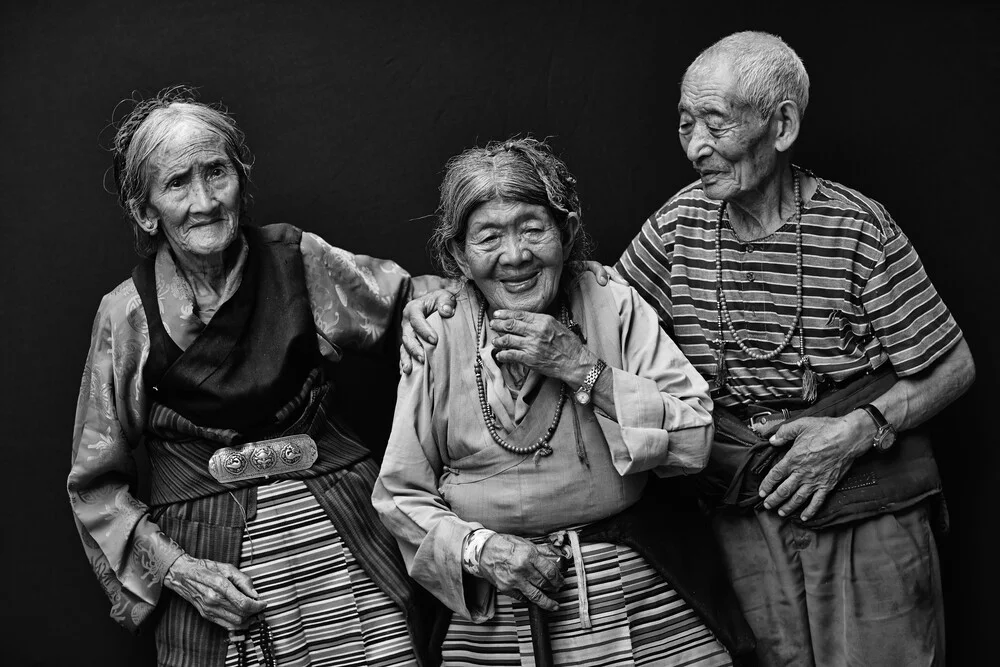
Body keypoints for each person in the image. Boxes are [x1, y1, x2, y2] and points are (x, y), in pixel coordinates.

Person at [66, 86, 463, 667]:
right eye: (177, 183)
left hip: (343, 537)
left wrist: (427, 311)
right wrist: (179, 571)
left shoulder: (299, 261)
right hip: (212, 567)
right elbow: (95, 487)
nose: (204, 200)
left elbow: (414, 301)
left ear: (240, 181)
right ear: (145, 210)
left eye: (216, 173)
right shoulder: (126, 316)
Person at [613, 32, 976, 666]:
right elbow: (596, 312)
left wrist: (856, 432)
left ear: (781, 126)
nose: (696, 146)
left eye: (716, 124)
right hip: (742, 502)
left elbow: (955, 366)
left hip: (866, 499)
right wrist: (436, 299)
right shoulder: (677, 226)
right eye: (685, 124)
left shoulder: (854, 226)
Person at [374, 138, 755, 667]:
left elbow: (695, 437)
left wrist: (582, 368)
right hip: (493, 602)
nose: (516, 256)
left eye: (534, 228)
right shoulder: (437, 331)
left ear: (567, 232)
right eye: (489, 237)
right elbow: (398, 494)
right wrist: (482, 550)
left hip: (632, 586)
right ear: (459, 255)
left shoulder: (610, 300)